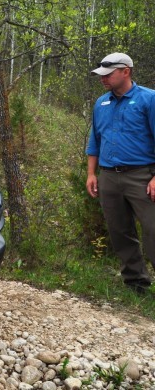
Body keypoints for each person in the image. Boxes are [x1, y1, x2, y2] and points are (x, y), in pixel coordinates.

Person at [86, 52, 155, 295]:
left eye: (109, 74)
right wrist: (91, 174)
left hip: (142, 177)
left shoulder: (149, 99)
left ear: (126, 71)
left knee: (152, 229)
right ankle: (136, 284)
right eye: (101, 75)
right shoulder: (101, 103)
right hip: (108, 176)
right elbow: (95, 139)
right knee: (120, 232)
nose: (103, 79)